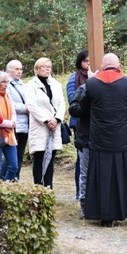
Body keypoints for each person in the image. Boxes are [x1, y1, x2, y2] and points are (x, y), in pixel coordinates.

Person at [82, 53, 127, 226]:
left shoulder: (92, 83)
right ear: (119, 65)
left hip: (101, 138)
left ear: (102, 65)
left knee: (103, 176)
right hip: (124, 137)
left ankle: (106, 217)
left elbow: (85, 105)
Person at [25, 57, 65, 188]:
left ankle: (49, 186)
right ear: (37, 69)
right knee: (39, 157)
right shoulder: (31, 85)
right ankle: (38, 187)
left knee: (51, 157)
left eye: (49, 66)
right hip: (40, 125)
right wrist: (47, 120)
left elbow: (61, 103)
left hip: (54, 125)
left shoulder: (56, 84)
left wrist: (56, 119)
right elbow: (32, 106)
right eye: (44, 66)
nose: (48, 68)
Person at [66, 50, 90, 198]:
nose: (89, 64)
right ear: (80, 62)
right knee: (81, 158)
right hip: (80, 122)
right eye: (86, 61)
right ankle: (79, 192)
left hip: (97, 123)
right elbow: (72, 100)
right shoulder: (74, 78)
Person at [67, 78, 91, 218]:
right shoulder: (82, 88)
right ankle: (83, 204)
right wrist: (87, 97)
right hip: (85, 137)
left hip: (103, 139)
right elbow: (74, 109)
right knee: (85, 172)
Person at [0, 71, 18, 181]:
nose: (6, 84)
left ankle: (6, 186)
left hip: (9, 133)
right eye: (3, 82)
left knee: (14, 165)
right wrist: (9, 123)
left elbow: (13, 111)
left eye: (8, 82)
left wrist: (13, 122)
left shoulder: (7, 95)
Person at [4, 59, 27, 180]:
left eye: (20, 69)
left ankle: (15, 178)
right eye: (16, 69)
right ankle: (5, 179)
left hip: (25, 124)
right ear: (9, 70)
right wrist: (26, 108)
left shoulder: (23, 84)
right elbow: (9, 103)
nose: (19, 72)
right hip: (14, 124)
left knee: (19, 154)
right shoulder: (6, 84)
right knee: (11, 156)